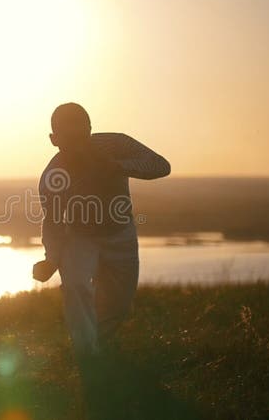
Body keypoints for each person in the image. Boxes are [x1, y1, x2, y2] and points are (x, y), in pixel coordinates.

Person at [34, 102, 171, 359]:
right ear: (54, 139)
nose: (77, 145)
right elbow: (53, 221)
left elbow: (162, 166)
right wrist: (51, 258)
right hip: (78, 237)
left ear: (90, 130)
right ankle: (87, 355)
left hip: (121, 234)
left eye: (82, 135)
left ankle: (98, 344)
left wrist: (118, 166)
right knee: (75, 286)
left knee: (120, 305)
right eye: (69, 138)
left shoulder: (116, 144)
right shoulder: (53, 177)